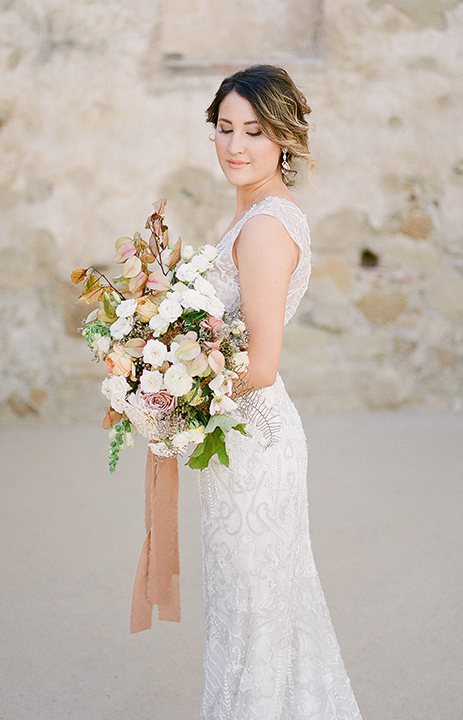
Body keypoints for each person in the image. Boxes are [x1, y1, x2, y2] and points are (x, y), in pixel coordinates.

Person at [197, 65, 363, 720]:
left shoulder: (266, 226)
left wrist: (172, 391)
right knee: (252, 608)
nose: (236, 146)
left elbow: (260, 365)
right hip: (239, 439)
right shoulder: (255, 212)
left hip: (252, 443)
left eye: (254, 132)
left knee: (255, 613)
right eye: (225, 128)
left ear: (283, 139)